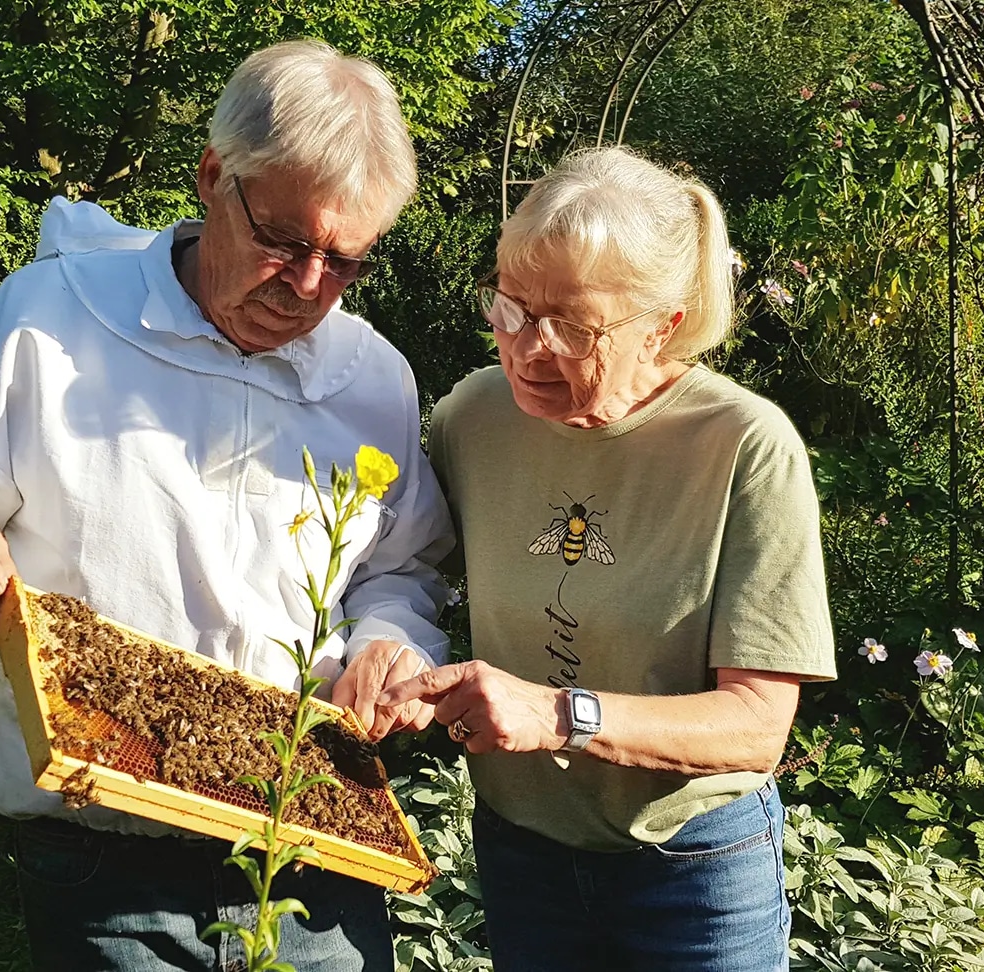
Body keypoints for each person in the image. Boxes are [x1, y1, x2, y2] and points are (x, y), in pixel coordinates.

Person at [0, 40, 453, 972]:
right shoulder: (49, 322)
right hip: (105, 870)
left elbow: (402, 569)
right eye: (285, 242)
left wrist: (389, 643)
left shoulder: (375, 379)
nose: (308, 286)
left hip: (316, 866)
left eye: (344, 260)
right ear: (212, 177)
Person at [379, 146, 838, 971]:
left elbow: (757, 729)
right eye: (511, 307)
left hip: (693, 868)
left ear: (663, 326)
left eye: (573, 327)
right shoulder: (472, 417)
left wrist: (560, 715)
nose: (527, 349)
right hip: (522, 854)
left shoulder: (745, 446)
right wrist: (393, 660)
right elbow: (402, 577)